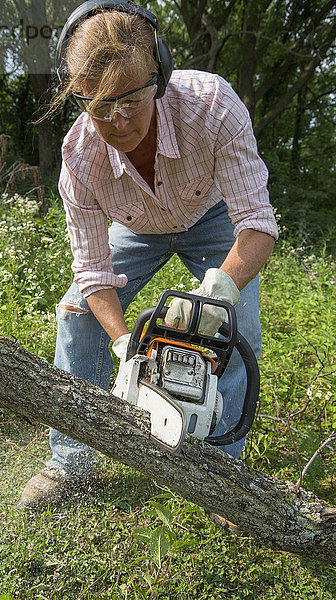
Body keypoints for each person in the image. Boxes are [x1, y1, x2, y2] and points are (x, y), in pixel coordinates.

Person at [19, 0, 278, 510]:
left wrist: (221, 289)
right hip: (137, 229)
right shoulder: (79, 160)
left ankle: (220, 471)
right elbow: (92, 269)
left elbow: (257, 224)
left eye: (131, 99)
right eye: (98, 105)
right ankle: (70, 462)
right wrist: (124, 344)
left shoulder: (212, 106)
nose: (118, 120)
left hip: (209, 217)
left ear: (157, 72)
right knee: (75, 313)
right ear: (79, 99)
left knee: (237, 329)